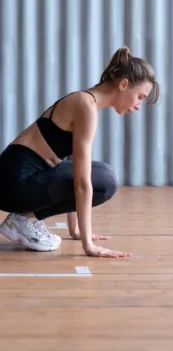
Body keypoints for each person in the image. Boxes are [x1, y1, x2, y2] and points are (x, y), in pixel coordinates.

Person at [0, 47, 160, 258]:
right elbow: (81, 183)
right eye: (140, 96)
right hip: (12, 183)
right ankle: (22, 220)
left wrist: (75, 230)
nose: (138, 105)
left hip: (18, 179)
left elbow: (71, 167)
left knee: (102, 172)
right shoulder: (85, 106)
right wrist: (88, 246)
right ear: (123, 84)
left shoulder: (86, 103)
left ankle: (24, 218)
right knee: (104, 179)